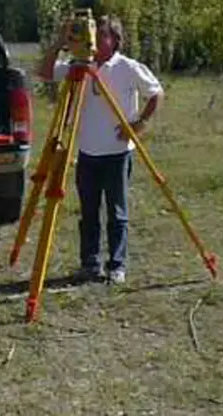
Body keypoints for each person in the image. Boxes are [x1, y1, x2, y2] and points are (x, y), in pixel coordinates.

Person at [37, 15, 164, 284]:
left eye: (102, 34)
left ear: (115, 40)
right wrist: (60, 43)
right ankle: (90, 264)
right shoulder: (79, 67)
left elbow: (156, 93)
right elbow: (45, 73)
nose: (93, 40)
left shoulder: (127, 67)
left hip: (117, 153)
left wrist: (140, 122)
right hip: (87, 153)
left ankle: (117, 265)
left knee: (117, 213)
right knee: (89, 212)